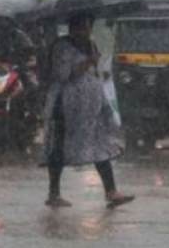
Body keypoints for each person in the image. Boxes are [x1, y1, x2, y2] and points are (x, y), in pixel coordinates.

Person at [41, 13, 134, 209]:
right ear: (73, 28)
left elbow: (95, 72)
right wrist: (87, 62)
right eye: (82, 27)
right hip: (65, 106)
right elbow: (63, 74)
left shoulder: (90, 44)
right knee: (59, 146)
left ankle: (111, 191)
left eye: (88, 27)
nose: (85, 31)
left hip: (91, 106)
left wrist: (96, 67)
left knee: (100, 143)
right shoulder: (62, 46)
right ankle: (54, 193)